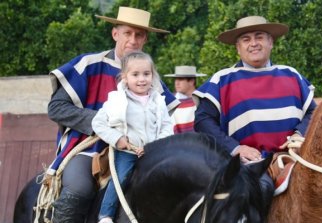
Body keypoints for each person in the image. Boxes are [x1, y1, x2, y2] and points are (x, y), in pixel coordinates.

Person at [46, 7, 179, 222]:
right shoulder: (88, 64)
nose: (133, 40)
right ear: (115, 34)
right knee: (79, 190)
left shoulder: (151, 78)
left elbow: (164, 123)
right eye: (127, 33)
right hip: (89, 148)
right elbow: (56, 108)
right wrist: (105, 124)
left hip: (139, 151)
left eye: (139, 35)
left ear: (145, 39)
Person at [193, 16, 316, 217]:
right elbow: (203, 121)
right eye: (246, 39)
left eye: (259, 37)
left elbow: (313, 112)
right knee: (259, 191)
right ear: (237, 48)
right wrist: (235, 148)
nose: (254, 43)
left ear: (271, 42)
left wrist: (299, 135)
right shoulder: (222, 79)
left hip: (292, 160)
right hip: (249, 165)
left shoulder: (292, 75)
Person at [92, 51, 173, 223]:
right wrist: (117, 138)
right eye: (135, 75)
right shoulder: (116, 100)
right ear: (124, 77)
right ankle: (105, 214)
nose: (142, 79)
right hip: (128, 152)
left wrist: (155, 146)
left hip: (153, 153)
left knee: (171, 176)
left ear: (153, 75)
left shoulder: (158, 100)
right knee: (121, 177)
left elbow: (167, 126)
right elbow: (98, 123)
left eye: (146, 74)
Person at [164, 66, 207, 133]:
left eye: (180, 79)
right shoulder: (170, 102)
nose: (177, 83)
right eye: (176, 79)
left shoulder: (202, 100)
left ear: (191, 81)